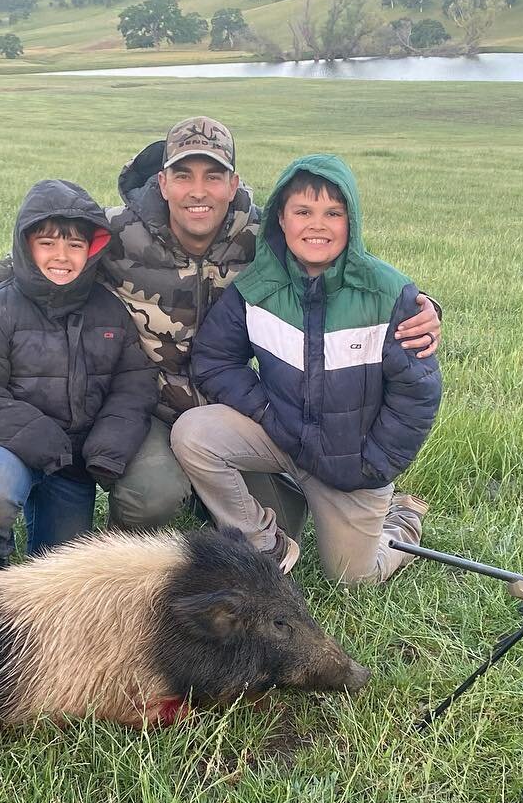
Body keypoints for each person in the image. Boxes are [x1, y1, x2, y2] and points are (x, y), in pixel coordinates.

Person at [0, 118, 442, 533]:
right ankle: (126, 567)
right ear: (163, 182)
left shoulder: (263, 235)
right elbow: (35, 263)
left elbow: (339, 260)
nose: (197, 191)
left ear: (233, 183)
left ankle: (368, 507)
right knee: (151, 495)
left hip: (236, 404)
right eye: (183, 176)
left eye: (212, 176)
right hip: (144, 401)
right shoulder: (119, 232)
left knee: (282, 528)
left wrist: (420, 305)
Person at [171, 155, 442, 584]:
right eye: (303, 212)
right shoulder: (256, 288)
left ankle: (402, 519)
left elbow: (417, 392)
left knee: (352, 577)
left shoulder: (390, 294)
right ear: (281, 218)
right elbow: (214, 358)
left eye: (333, 213)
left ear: (351, 221)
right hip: (284, 438)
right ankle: (266, 546)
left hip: (353, 465)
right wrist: (266, 413)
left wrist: (375, 464)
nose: (317, 225)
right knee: (194, 433)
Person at [0, 179, 157, 576]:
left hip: (70, 460)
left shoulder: (110, 310)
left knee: (61, 570)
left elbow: (134, 384)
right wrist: (42, 439)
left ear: (91, 250)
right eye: (47, 243)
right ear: (26, 245)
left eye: (75, 245)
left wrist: (107, 448)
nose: (62, 256)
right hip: (5, 444)